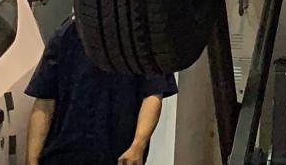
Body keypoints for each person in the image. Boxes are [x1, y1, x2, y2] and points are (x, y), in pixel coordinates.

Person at [25, 16, 178, 165]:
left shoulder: (143, 39)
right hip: (62, 155)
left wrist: (137, 146)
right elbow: (45, 100)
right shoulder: (65, 35)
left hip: (118, 156)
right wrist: (31, 159)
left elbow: (152, 96)